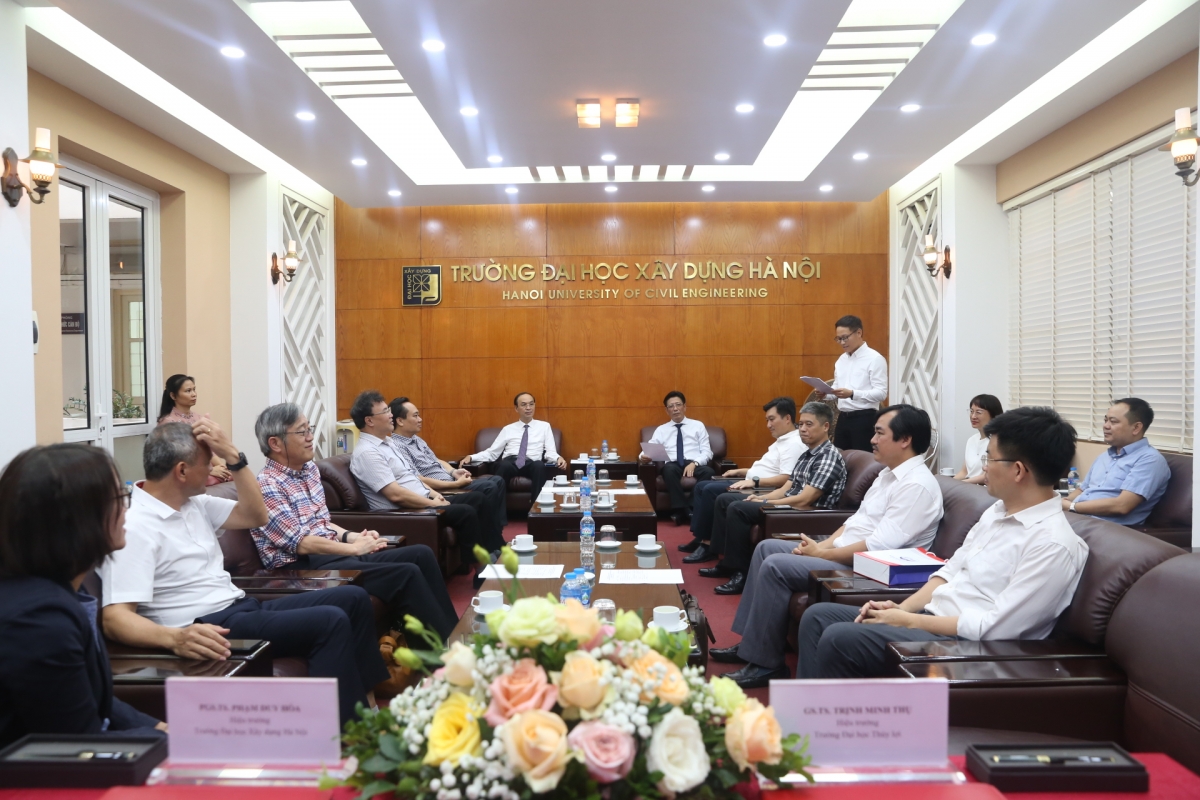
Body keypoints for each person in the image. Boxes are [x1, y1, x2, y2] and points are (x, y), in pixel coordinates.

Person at [100, 420, 387, 725]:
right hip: (208, 626)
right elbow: (115, 618)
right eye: (208, 462)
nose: (214, 468)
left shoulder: (194, 504)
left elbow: (256, 515)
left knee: (353, 598)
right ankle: (343, 735)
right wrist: (174, 638)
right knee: (329, 621)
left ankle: (368, 708)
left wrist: (235, 457)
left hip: (239, 607)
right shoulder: (136, 526)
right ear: (182, 471)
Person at [798, 407, 1089, 679]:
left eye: (989, 459)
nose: (983, 469)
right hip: (931, 619)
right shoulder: (996, 511)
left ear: (1018, 470)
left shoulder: (1053, 544)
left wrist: (910, 621)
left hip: (966, 644)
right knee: (819, 616)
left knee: (841, 637)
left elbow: (994, 627)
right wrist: (902, 609)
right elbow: (949, 572)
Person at [713, 404, 944, 688]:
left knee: (775, 565)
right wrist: (824, 545)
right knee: (767, 548)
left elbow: (877, 546)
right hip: (845, 552)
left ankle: (765, 665)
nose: (872, 439)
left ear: (905, 439)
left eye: (879, 433)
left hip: (870, 568)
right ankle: (754, 643)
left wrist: (824, 553)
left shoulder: (916, 485)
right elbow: (854, 522)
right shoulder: (887, 474)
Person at [0, 444, 166, 748]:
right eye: (120, 498)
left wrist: (159, 727)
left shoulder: (64, 589)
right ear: (79, 518)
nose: (127, 510)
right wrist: (186, 740)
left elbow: (92, 699)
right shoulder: (38, 619)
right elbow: (76, 746)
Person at [249, 403, 459, 639]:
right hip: (300, 567)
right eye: (302, 431)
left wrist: (352, 536)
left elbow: (321, 522)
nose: (310, 437)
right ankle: (438, 650)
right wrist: (353, 548)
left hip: (328, 553)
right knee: (405, 573)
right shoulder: (267, 485)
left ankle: (454, 634)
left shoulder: (308, 470)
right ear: (275, 443)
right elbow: (301, 543)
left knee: (420, 554)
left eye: (310, 429)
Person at [698, 402, 848, 597]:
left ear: (825, 426)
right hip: (790, 505)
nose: (802, 429)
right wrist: (761, 497)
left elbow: (805, 499)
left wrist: (767, 503)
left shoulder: (828, 456)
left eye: (809, 424)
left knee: (738, 508)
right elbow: (786, 488)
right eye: (801, 424)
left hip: (807, 514)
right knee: (727, 500)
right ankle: (727, 562)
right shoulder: (807, 454)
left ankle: (740, 573)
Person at [349, 392, 500, 570]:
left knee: (478, 498)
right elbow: (396, 495)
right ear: (369, 421)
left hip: (423, 498)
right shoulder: (367, 453)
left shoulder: (388, 443)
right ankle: (481, 570)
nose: (391, 415)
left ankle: (497, 552)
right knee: (466, 511)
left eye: (389, 410)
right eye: (385, 411)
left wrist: (435, 495)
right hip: (406, 509)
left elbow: (413, 476)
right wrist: (432, 503)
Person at [679, 397, 804, 556]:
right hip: (750, 482)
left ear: (787, 418)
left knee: (710, 490)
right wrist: (740, 471)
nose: (768, 425)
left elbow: (786, 478)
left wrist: (754, 481)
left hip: (760, 488)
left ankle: (707, 544)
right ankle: (701, 537)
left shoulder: (794, 443)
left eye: (772, 419)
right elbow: (767, 468)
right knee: (701, 487)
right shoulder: (782, 440)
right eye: (767, 420)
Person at [390, 396, 508, 533]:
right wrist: (455, 484)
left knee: (497, 480)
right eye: (415, 416)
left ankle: (497, 528)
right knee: (489, 487)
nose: (420, 419)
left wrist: (453, 472)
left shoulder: (416, 439)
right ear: (400, 421)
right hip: (442, 489)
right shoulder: (397, 446)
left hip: (450, 480)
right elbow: (417, 479)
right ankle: (492, 533)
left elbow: (437, 460)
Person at [1063, 398, 1171, 526]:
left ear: (1136, 427)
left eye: (1113, 422)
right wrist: (1061, 503)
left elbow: (1122, 505)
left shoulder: (1150, 460)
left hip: (1104, 527)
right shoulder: (1105, 456)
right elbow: (1082, 490)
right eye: (1105, 420)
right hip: (1077, 518)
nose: (1106, 426)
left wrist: (1072, 507)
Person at [461, 392, 567, 507]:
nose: (528, 408)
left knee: (539, 466)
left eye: (531, 404)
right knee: (503, 465)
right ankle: (496, 511)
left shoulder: (544, 426)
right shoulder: (508, 429)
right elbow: (492, 452)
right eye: (524, 405)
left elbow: (550, 451)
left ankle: (537, 508)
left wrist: (558, 458)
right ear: (516, 408)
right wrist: (471, 457)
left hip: (531, 462)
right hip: (510, 462)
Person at [639, 391, 715, 525]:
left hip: (694, 463)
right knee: (668, 470)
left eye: (678, 405)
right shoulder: (662, 430)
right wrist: (643, 456)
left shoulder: (698, 426)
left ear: (684, 407)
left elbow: (707, 452)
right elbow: (649, 448)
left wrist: (695, 463)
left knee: (709, 472)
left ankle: (686, 509)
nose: (675, 409)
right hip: (673, 464)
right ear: (666, 410)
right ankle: (686, 510)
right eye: (671, 406)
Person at [825, 315, 888, 453]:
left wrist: (852, 394)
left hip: (865, 419)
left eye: (845, 337)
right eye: (838, 339)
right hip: (843, 418)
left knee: (863, 459)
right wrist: (826, 393)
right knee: (840, 458)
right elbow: (837, 387)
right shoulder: (841, 360)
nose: (842, 342)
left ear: (859, 333)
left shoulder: (875, 359)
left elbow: (881, 393)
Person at [158, 373, 231, 483]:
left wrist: (221, 467)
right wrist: (209, 470)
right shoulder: (168, 422)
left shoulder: (199, 418)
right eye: (188, 391)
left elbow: (208, 449)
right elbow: (178, 456)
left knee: (230, 475)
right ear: (173, 396)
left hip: (205, 469)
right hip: (185, 472)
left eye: (194, 390)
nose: (194, 394)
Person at [954, 394, 1003, 485]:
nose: (973, 416)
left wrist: (961, 484)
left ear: (993, 415)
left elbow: (987, 476)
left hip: (985, 488)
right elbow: (964, 472)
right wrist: (950, 483)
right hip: (969, 486)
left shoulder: (997, 442)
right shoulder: (971, 440)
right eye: (971, 411)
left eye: (979, 412)